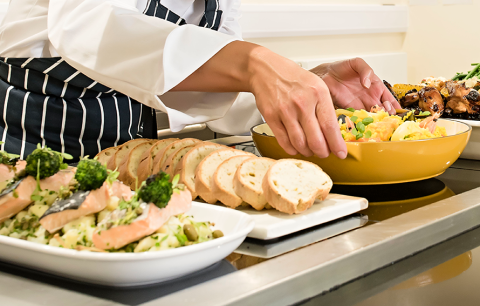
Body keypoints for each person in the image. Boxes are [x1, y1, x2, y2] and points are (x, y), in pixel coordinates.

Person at [0, 0, 400, 162]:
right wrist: (255, 66)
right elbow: (85, 26)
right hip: (29, 138)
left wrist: (299, 83)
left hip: (126, 153)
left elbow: (215, 67)